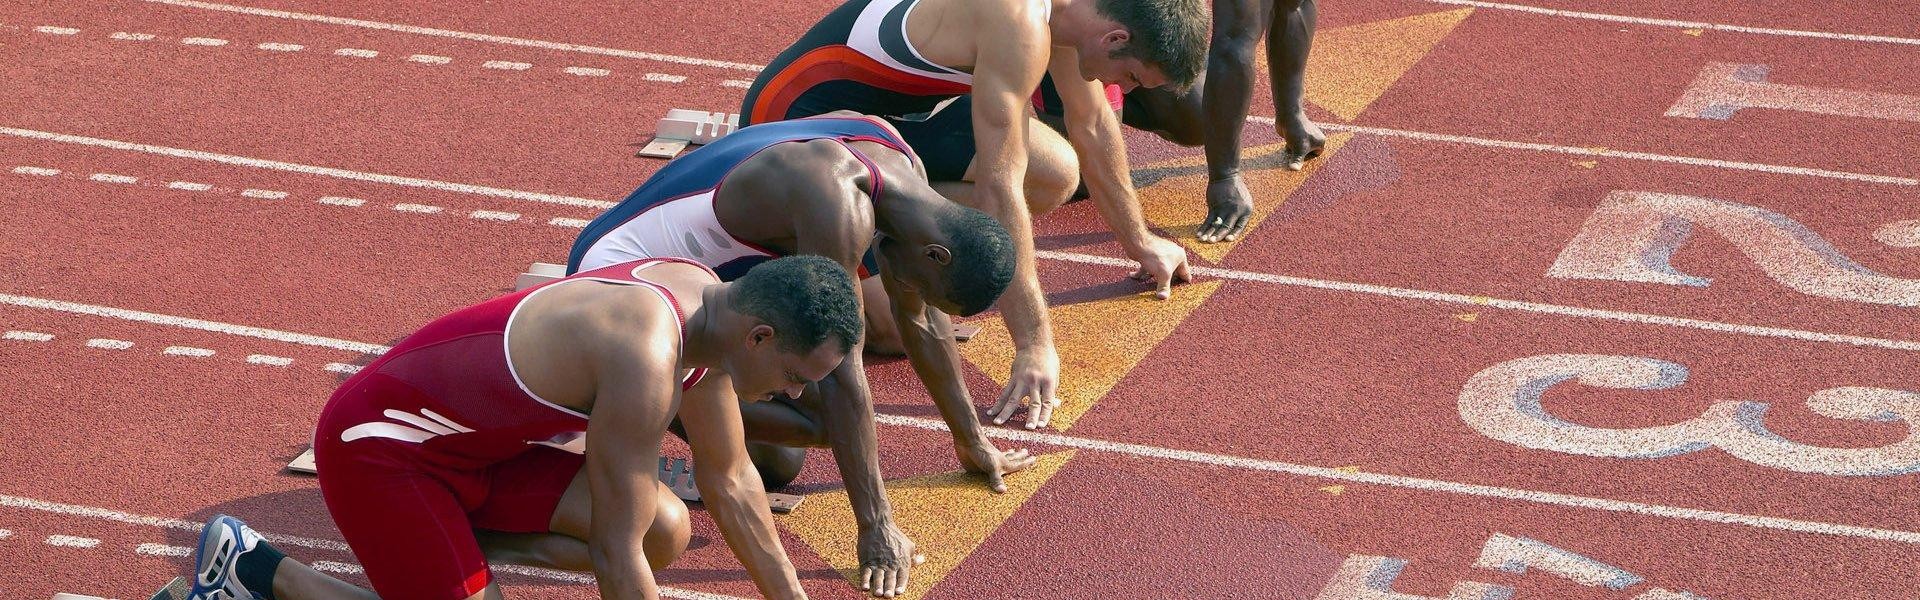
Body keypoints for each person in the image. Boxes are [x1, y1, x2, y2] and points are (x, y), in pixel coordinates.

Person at [186, 256, 862, 600]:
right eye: (798, 374)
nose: (798, 393)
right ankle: (257, 569)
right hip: (382, 450)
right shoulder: (646, 354)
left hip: (475, 457)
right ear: (761, 336)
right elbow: (613, 554)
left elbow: (733, 480)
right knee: (633, 534)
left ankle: (441, 558)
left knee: (667, 527)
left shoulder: (715, 312)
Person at [568, 113, 1032, 598]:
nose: (910, 290)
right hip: (619, 276)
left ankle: (669, 410)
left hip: (695, 280)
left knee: (800, 446)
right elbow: (841, 369)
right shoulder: (835, 203)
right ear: (937, 255)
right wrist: (876, 526)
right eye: (924, 284)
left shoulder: (903, 174)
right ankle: (636, 415)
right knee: (815, 430)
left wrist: (972, 440)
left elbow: (919, 319)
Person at [740, 0, 1208, 428]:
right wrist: (1033, 343)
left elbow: (1092, 123)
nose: (1120, 89)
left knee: (1056, 173)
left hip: (886, 116)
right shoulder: (1019, 22)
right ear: (1116, 39)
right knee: (886, 329)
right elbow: (998, 186)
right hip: (792, 118)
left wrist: (1140, 240)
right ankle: (852, 217)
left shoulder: (1073, 16)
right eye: (1131, 79)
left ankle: (882, 211)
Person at [1064, 0, 1326, 244]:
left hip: (1128, 34)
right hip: (1077, 25)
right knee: (1071, 172)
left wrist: (1292, 113)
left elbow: (1292, 4)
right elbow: (1233, 44)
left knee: (1197, 114)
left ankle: (1106, 83)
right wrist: (1226, 177)